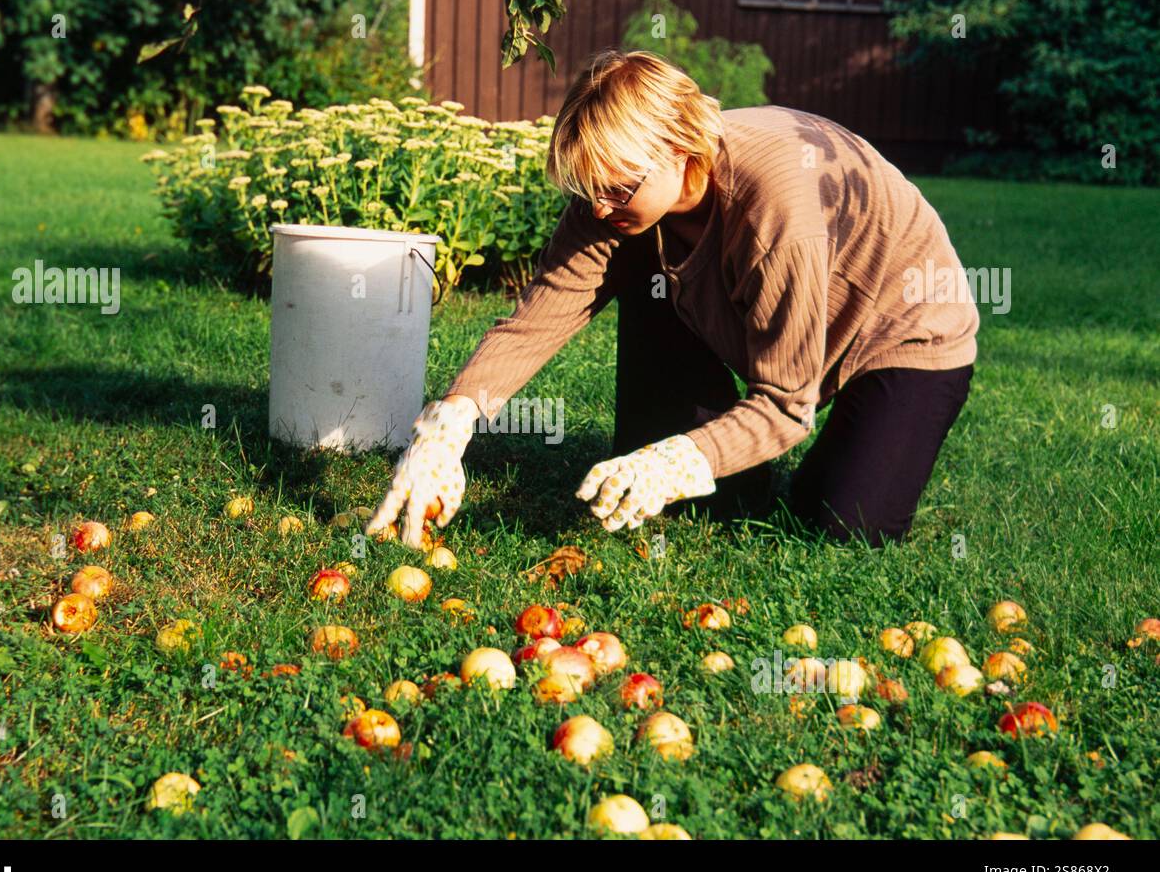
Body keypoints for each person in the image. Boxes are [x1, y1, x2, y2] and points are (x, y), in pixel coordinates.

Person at [366, 50, 979, 550]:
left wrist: (678, 459)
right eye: (589, 187)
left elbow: (789, 404)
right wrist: (448, 424)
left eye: (616, 188)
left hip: (899, 329)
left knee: (841, 526)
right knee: (646, 278)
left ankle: (731, 462)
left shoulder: (773, 210)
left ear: (683, 152)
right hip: (762, 299)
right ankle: (727, 480)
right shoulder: (619, 198)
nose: (599, 207)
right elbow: (536, 321)